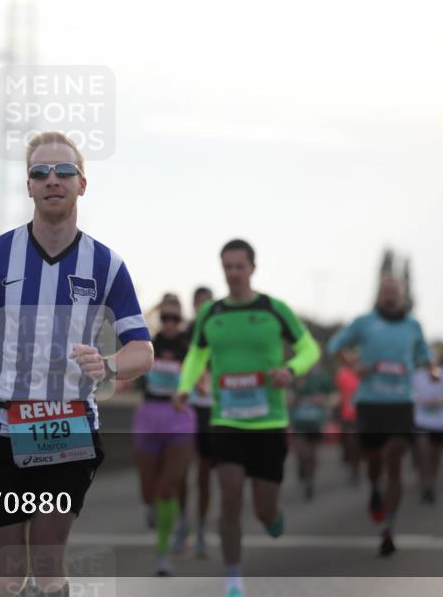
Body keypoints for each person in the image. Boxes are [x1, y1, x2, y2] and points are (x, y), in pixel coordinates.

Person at [0, 131, 154, 597]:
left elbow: (143, 348)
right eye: (40, 172)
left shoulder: (106, 264)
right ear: (29, 186)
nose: (51, 180)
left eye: (64, 172)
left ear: (82, 184)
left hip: (68, 425)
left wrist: (110, 364)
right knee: (8, 576)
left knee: (46, 559)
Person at [175, 239, 320, 597]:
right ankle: (233, 578)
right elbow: (196, 354)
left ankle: (273, 515)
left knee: (263, 508)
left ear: (252, 268)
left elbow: (310, 348)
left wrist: (290, 368)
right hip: (227, 420)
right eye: (228, 266)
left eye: (240, 266)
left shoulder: (274, 309)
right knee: (230, 493)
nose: (234, 273)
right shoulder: (211, 314)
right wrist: (184, 386)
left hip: (269, 423)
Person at [327, 276, 435, 558]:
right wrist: (353, 364)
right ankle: (374, 485)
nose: (390, 296)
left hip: (401, 402)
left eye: (395, 292)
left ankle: (388, 529)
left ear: (402, 296)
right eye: (386, 292)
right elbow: (335, 345)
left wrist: (431, 366)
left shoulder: (413, 326)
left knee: (395, 458)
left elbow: (424, 352)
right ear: (379, 295)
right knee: (374, 460)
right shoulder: (364, 323)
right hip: (371, 403)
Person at [133, 293, 195, 575]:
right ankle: (156, 509)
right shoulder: (148, 344)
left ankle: (162, 554)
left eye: (176, 318)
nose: (170, 323)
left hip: (179, 418)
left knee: (167, 487)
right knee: (149, 494)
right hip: (149, 416)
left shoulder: (189, 347)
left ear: (182, 320)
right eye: (166, 317)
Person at [186, 285, 215, 558]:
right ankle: (184, 522)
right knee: (182, 471)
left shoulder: (221, 332)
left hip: (212, 410)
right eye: (200, 304)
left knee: (204, 475)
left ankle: (202, 529)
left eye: (208, 303)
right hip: (186, 407)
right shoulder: (184, 333)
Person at [411, 352, 443, 504]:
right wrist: (421, 401)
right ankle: (425, 484)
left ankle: (431, 484)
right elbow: (410, 397)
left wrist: (439, 402)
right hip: (421, 422)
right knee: (424, 454)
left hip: (439, 423)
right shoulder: (416, 376)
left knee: (435, 456)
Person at [289, 361, 335, 501]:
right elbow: (287, 398)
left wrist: (324, 401)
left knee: (313, 455)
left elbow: (333, 397)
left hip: (316, 422)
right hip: (299, 422)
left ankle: (310, 482)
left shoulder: (323, 378)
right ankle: (302, 468)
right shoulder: (294, 376)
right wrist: (296, 399)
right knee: (303, 453)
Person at [334, 354, 361, 484]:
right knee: (350, 443)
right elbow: (338, 394)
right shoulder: (342, 374)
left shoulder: (364, 373)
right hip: (347, 416)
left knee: (358, 444)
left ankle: (356, 466)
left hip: (362, 415)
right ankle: (352, 468)